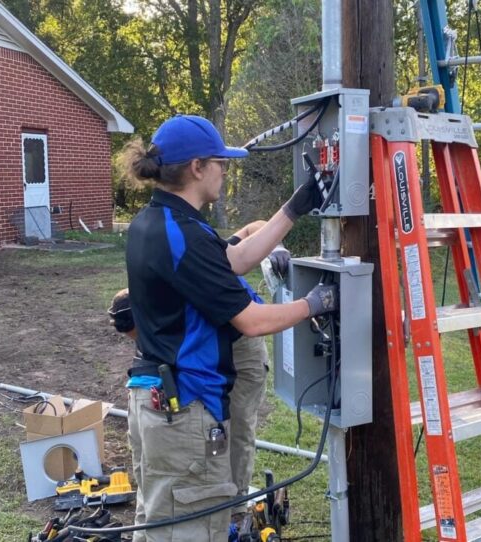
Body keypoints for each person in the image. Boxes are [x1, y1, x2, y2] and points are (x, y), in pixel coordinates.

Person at [121, 114, 336, 542]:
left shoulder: (159, 222)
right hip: (185, 412)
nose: (225, 170)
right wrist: (315, 303)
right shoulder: (181, 235)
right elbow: (251, 321)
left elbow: (235, 260)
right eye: (220, 162)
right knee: (188, 531)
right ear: (197, 167)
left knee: (159, 525)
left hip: (158, 403)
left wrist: (294, 208)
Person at [107, 224, 287, 523]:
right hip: (206, 349)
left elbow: (253, 229)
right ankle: (205, 495)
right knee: (208, 423)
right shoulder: (156, 295)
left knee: (238, 425)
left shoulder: (197, 258)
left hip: (242, 344)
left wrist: (277, 248)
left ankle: (235, 508)